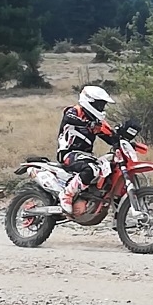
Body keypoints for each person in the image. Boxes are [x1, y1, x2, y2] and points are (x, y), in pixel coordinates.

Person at [56, 85, 117, 214]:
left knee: (110, 166)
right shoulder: (75, 111)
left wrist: (123, 137)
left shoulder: (96, 121)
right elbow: (68, 118)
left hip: (85, 156)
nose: (102, 108)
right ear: (89, 101)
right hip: (68, 153)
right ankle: (66, 195)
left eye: (103, 105)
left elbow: (109, 137)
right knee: (91, 169)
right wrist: (88, 124)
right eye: (100, 104)